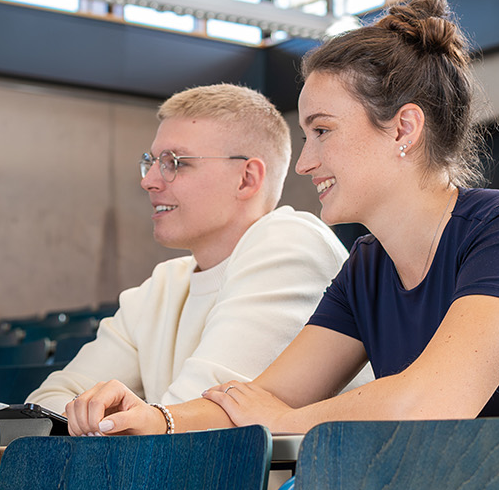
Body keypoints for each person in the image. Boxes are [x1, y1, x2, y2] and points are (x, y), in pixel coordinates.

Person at [64, 0, 499, 437]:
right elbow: (263, 395)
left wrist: (284, 419)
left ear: (404, 129)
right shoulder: (368, 266)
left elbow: (433, 401)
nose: (306, 161)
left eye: (322, 131)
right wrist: (153, 419)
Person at [27, 84, 368, 416]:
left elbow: (197, 423)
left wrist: (106, 422)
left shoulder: (291, 245)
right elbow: (49, 399)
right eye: (153, 161)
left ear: (246, 179)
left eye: (176, 162)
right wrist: (105, 420)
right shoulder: (163, 284)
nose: (150, 181)